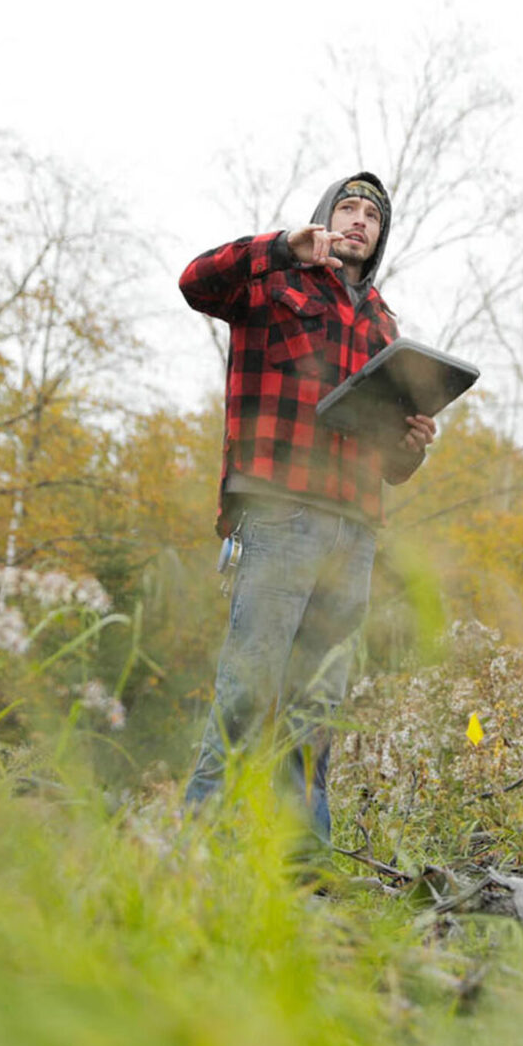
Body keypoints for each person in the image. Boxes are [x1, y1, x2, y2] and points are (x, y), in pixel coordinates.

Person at [178, 172, 436, 848]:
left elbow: (393, 466)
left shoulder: (385, 323)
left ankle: (301, 859)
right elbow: (194, 281)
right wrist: (281, 247)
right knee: (248, 687)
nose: (359, 222)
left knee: (317, 703)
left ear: (379, 237)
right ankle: (201, 847)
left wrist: (410, 443)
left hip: (354, 528)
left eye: (372, 217)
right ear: (324, 218)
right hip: (278, 510)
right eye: (347, 209)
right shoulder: (272, 281)